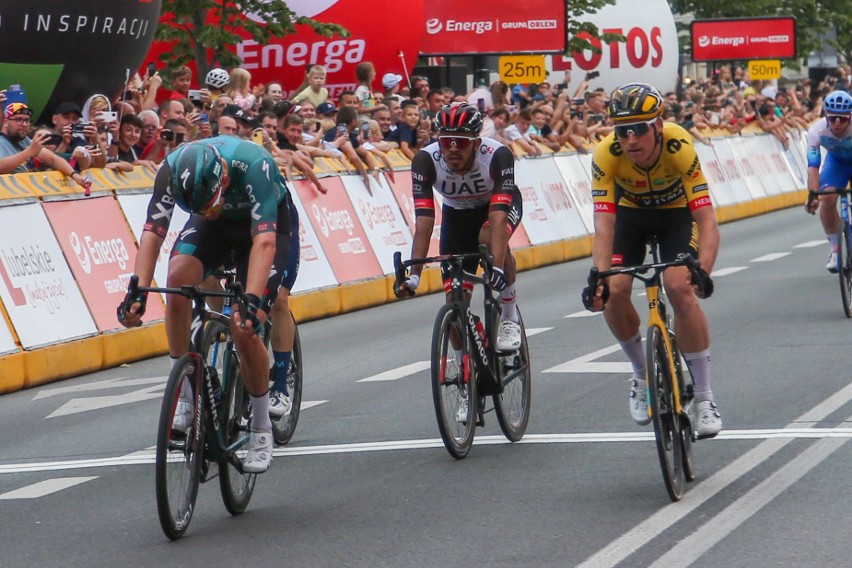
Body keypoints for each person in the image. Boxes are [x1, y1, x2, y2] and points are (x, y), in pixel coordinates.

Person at [117, 136, 299, 473]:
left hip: (263, 231)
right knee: (178, 280)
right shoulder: (171, 169)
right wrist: (138, 290)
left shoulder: (255, 164)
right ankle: (186, 391)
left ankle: (261, 427)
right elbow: (154, 232)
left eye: (208, 203)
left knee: (245, 326)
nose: (204, 211)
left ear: (224, 179)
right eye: (197, 208)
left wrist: (252, 303)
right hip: (215, 230)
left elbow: (265, 242)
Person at [582, 82, 722, 438]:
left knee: (679, 286)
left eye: (638, 129)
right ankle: (642, 373)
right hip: (631, 218)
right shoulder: (605, 154)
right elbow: (604, 224)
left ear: (657, 126)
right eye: (622, 130)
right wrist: (598, 274)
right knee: (613, 290)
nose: (630, 140)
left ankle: (704, 397)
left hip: (677, 215)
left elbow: (706, 218)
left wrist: (703, 271)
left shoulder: (678, 145)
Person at [395, 102, 524, 422]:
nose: (452, 149)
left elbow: (496, 219)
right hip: (456, 216)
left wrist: (494, 264)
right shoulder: (425, 159)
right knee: (454, 303)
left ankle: (508, 313)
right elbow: (425, 220)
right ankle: (467, 383)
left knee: (488, 240)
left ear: (476, 143)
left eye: (461, 143)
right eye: (445, 141)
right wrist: (413, 275)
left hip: (495, 209)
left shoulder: (497, 155)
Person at [804, 90, 852, 272]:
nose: (837, 123)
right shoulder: (816, 131)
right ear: (825, 115)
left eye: (843, 119)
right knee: (828, 198)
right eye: (833, 119)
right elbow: (813, 166)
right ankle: (835, 249)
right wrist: (813, 195)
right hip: (837, 164)